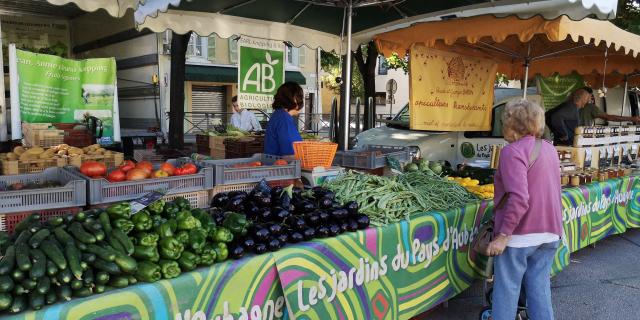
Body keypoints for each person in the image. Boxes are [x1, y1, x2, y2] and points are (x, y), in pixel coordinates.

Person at [488, 99, 563, 320]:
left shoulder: (512, 151)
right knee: (539, 289)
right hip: (550, 232)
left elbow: (519, 199)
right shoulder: (550, 149)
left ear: (512, 124)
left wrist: (502, 236)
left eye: (505, 120)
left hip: (520, 235)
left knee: (507, 291)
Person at [263, 82, 303, 156]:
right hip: (282, 165)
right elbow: (291, 150)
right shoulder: (284, 119)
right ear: (294, 99)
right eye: (299, 97)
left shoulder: (278, 115)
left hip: (274, 163)